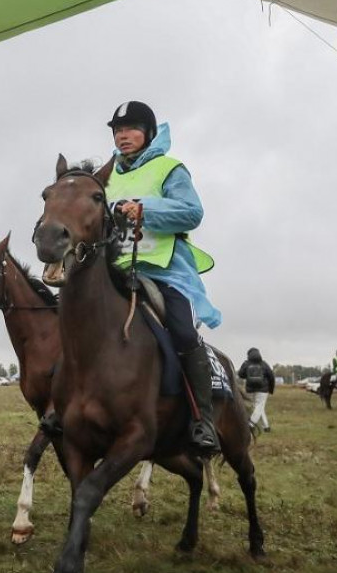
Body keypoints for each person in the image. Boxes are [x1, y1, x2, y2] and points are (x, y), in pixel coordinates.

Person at [106, 101, 221, 454]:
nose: (123, 135)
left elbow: (192, 212)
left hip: (163, 271)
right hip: (113, 270)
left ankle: (204, 421)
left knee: (184, 333)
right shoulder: (106, 174)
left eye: (131, 128)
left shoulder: (170, 169)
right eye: (117, 130)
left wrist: (146, 208)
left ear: (149, 133)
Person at [238, 347, 275, 433]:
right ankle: (251, 424)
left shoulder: (246, 363)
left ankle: (266, 426)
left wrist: (247, 376)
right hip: (263, 390)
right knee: (259, 407)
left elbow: (240, 374)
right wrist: (271, 389)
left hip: (250, 389)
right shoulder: (264, 364)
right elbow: (271, 376)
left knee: (257, 407)